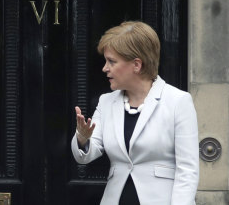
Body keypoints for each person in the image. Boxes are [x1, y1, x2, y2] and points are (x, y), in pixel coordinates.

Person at [71, 21, 199, 205]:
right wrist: (82, 139)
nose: (105, 68)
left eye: (112, 61)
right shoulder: (106, 102)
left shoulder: (178, 101)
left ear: (137, 65)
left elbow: (188, 170)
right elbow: (86, 155)